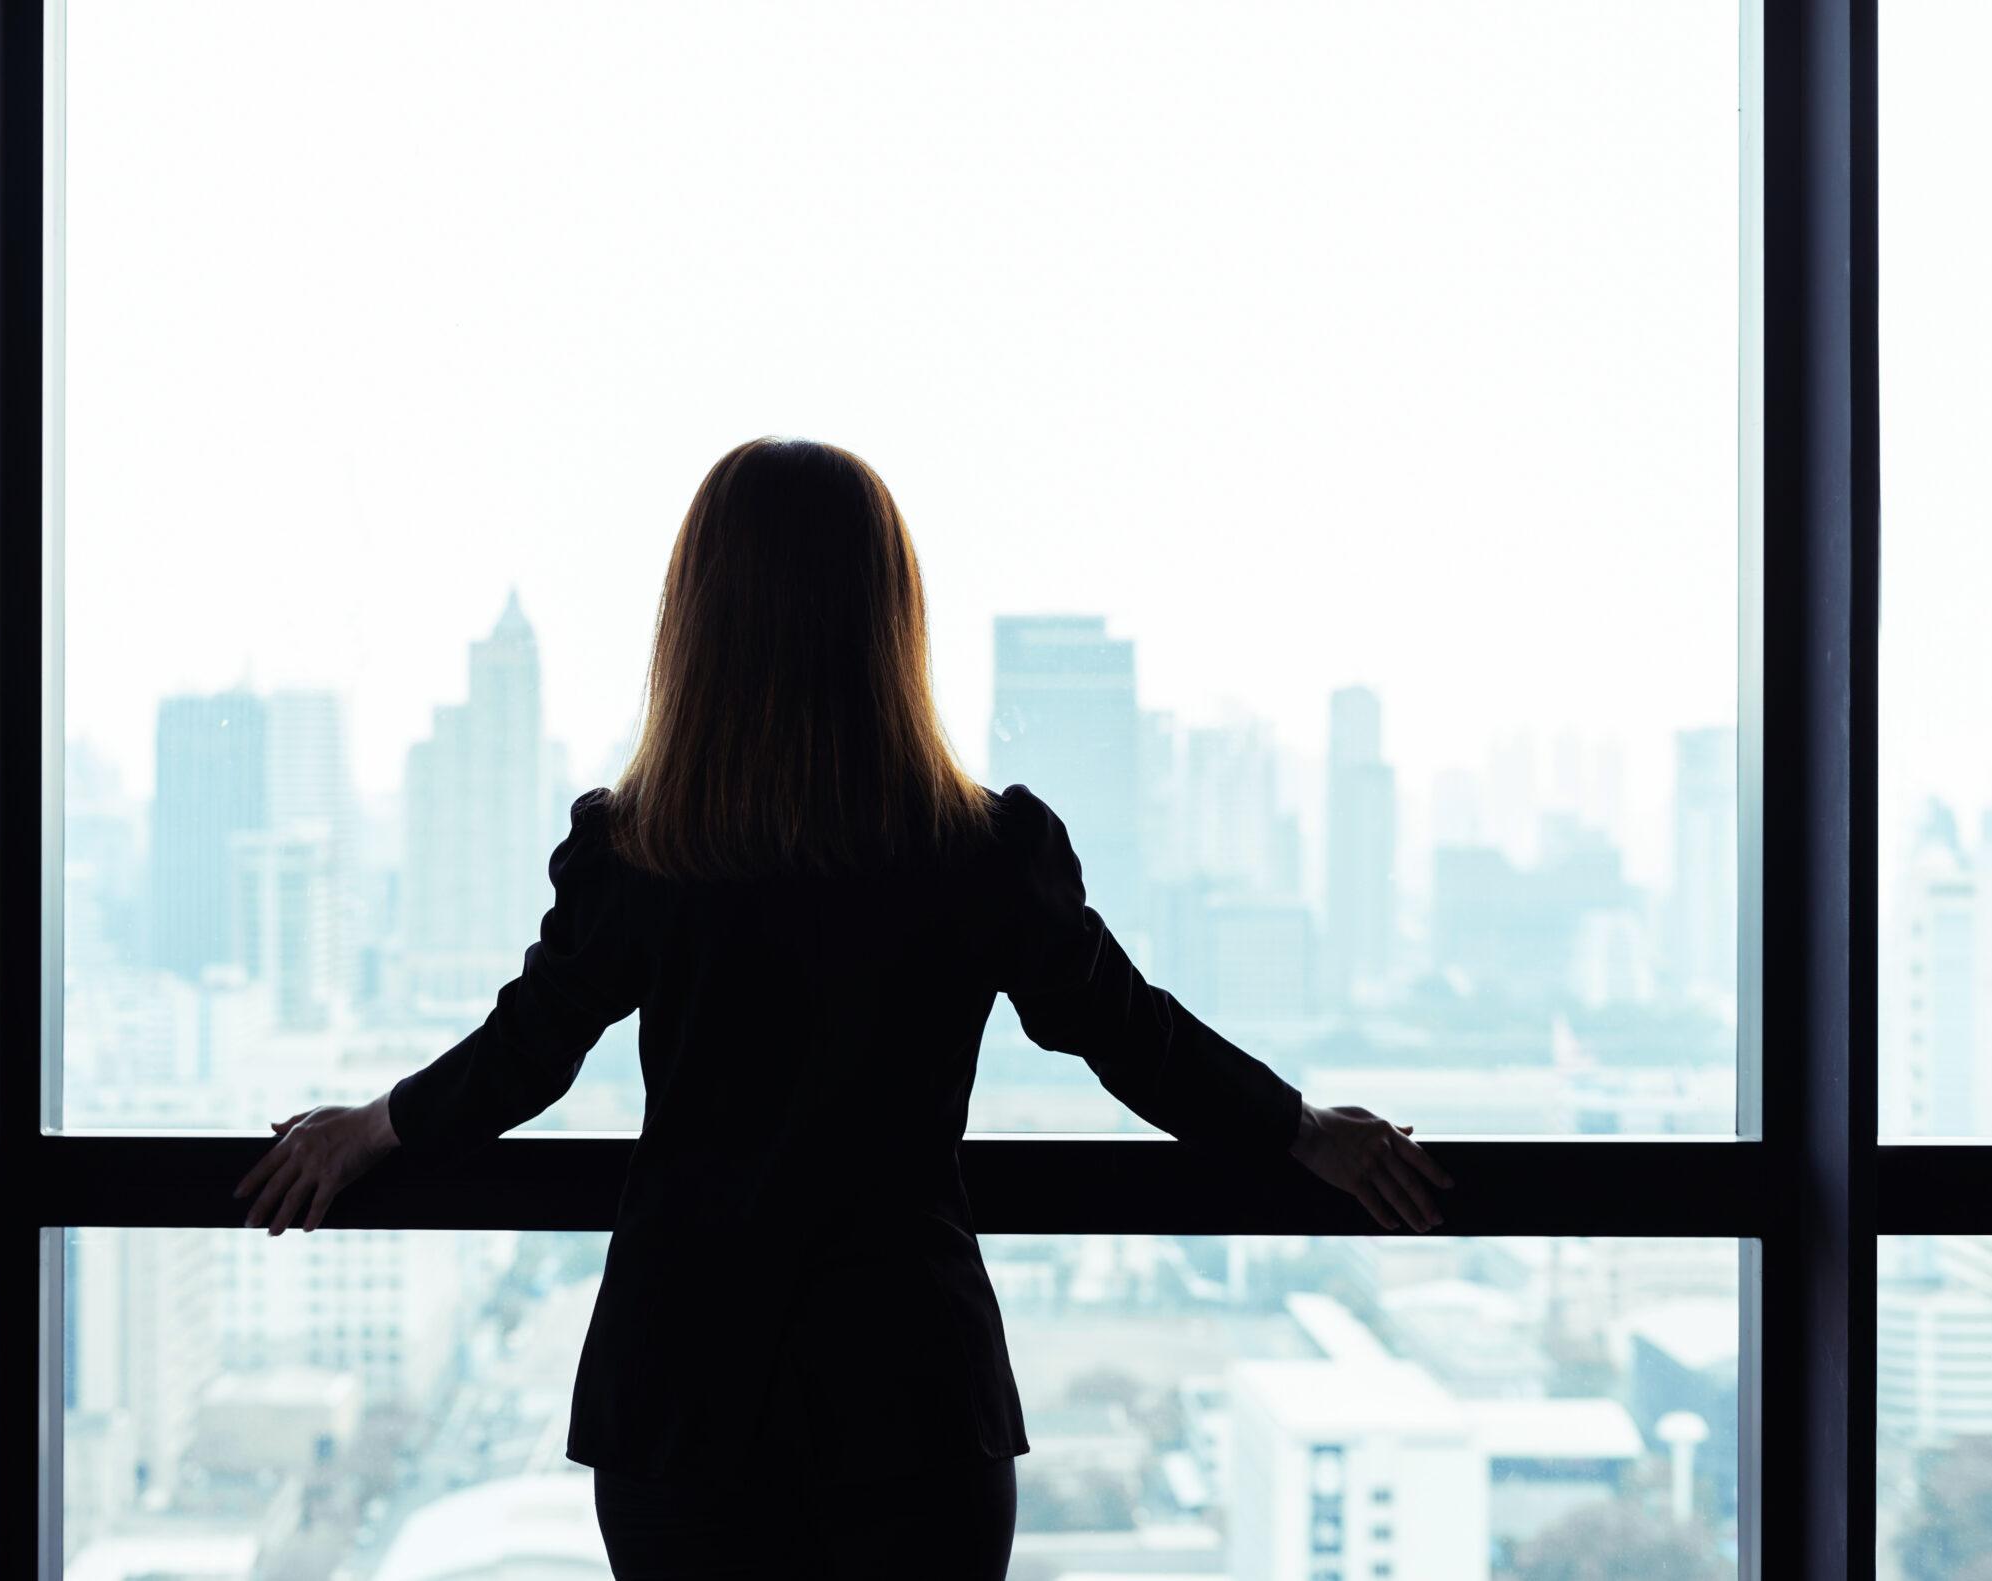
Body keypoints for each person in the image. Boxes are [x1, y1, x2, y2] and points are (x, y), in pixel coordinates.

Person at [231, 435, 1455, 1578]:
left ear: (696, 618)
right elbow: (1129, 1036)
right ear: (891, 615)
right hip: (910, 1401)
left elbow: (525, 1054)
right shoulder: (982, 853)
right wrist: (1301, 1131)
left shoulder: (643, 853)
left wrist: (371, 1129)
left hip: (684, 1403)